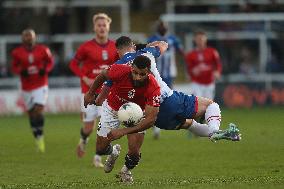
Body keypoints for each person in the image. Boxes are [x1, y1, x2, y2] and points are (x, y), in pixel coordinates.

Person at [90, 36, 241, 183]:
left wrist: (95, 98)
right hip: (165, 103)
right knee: (206, 109)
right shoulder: (147, 53)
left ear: (118, 51)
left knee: (188, 124)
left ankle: (213, 131)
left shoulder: (118, 66)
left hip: (142, 111)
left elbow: (104, 90)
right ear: (134, 47)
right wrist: (145, 45)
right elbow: (164, 44)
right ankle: (214, 130)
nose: (137, 77)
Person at [84, 55, 161, 184]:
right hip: (112, 109)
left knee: (135, 153)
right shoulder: (119, 70)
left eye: (142, 74)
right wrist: (90, 93)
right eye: (135, 72)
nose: (137, 77)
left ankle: (126, 171)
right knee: (101, 149)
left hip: (137, 115)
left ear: (148, 72)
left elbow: (151, 119)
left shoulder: (154, 87)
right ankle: (114, 152)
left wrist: (122, 131)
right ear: (131, 68)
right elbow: (103, 75)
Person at [69, 13, 119, 167]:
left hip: (106, 92)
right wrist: (84, 77)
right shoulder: (86, 47)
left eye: (104, 25)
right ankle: (83, 139)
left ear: (108, 27)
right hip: (88, 92)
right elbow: (73, 64)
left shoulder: (114, 46)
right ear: (94, 28)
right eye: (99, 25)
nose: (102, 28)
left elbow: (120, 66)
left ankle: (97, 156)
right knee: (88, 127)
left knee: (103, 123)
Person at [11, 28, 54, 153]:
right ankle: (37, 136)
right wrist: (20, 71)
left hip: (41, 84)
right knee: (31, 113)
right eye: (26, 36)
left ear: (34, 37)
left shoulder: (43, 50)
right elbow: (14, 66)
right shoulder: (17, 52)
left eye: (30, 36)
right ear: (22, 38)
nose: (28, 38)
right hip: (26, 87)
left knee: (38, 109)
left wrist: (45, 70)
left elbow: (51, 62)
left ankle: (40, 136)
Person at [147, 20, 184, 139]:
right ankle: (156, 126)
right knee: (155, 98)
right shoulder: (152, 39)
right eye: (161, 26)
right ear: (158, 28)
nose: (163, 28)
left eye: (164, 26)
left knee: (167, 99)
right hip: (156, 73)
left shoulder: (173, 39)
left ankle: (165, 121)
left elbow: (181, 51)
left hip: (169, 74)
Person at [185, 30, 222, 100]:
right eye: (198, 39)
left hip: (209, 82)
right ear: (195, 40)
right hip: (197, 83)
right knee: (198, 103)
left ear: (205, 39)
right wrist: (192, 72)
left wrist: (218, 72)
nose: (200, 41)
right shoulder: (191, 55)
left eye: (202, 39)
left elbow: (218, 64)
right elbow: (189, 68)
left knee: (208, 104)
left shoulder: (212, 52)